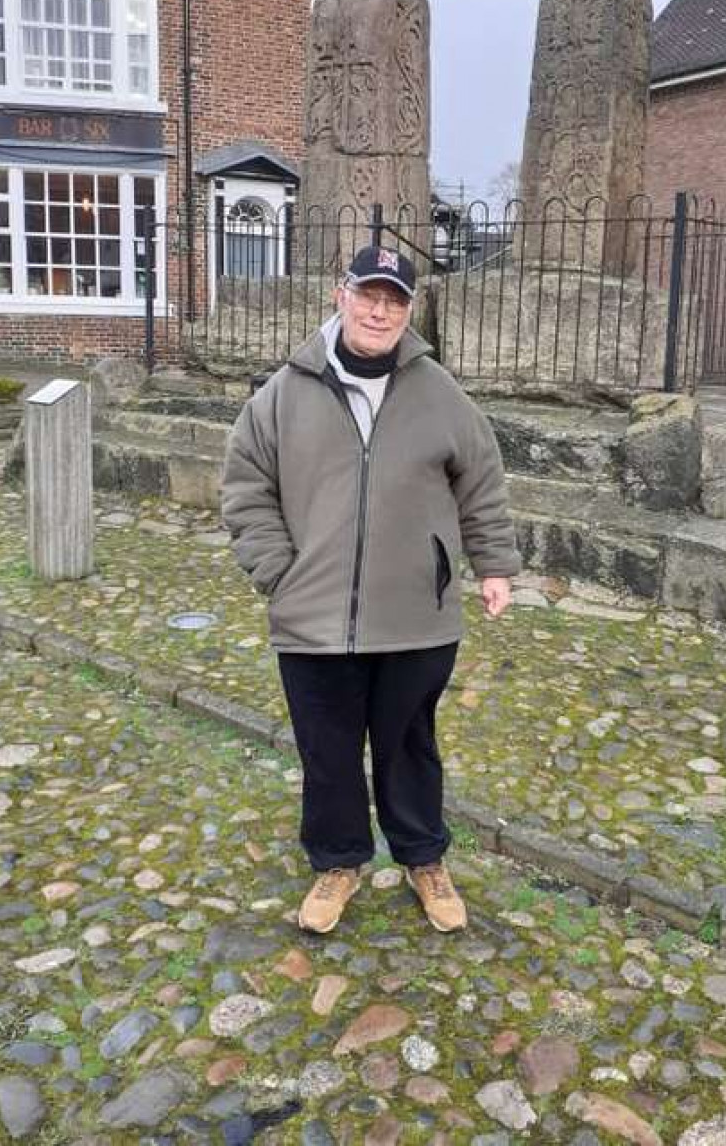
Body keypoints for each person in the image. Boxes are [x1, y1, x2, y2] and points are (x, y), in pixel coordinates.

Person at [221, 244, 521, 934]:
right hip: (312, 616)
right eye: (369, 294)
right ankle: (338, 861)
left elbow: (481, 480)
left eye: (395, 300)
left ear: (409, 312)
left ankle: (423, 858)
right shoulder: (284, 393)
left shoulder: (436, 390)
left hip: (416, 612)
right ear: (341, 295)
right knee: (327, 750)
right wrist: (278, 572)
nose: (380, 310)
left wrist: (494, 565)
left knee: (409, 743)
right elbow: (245, 485)